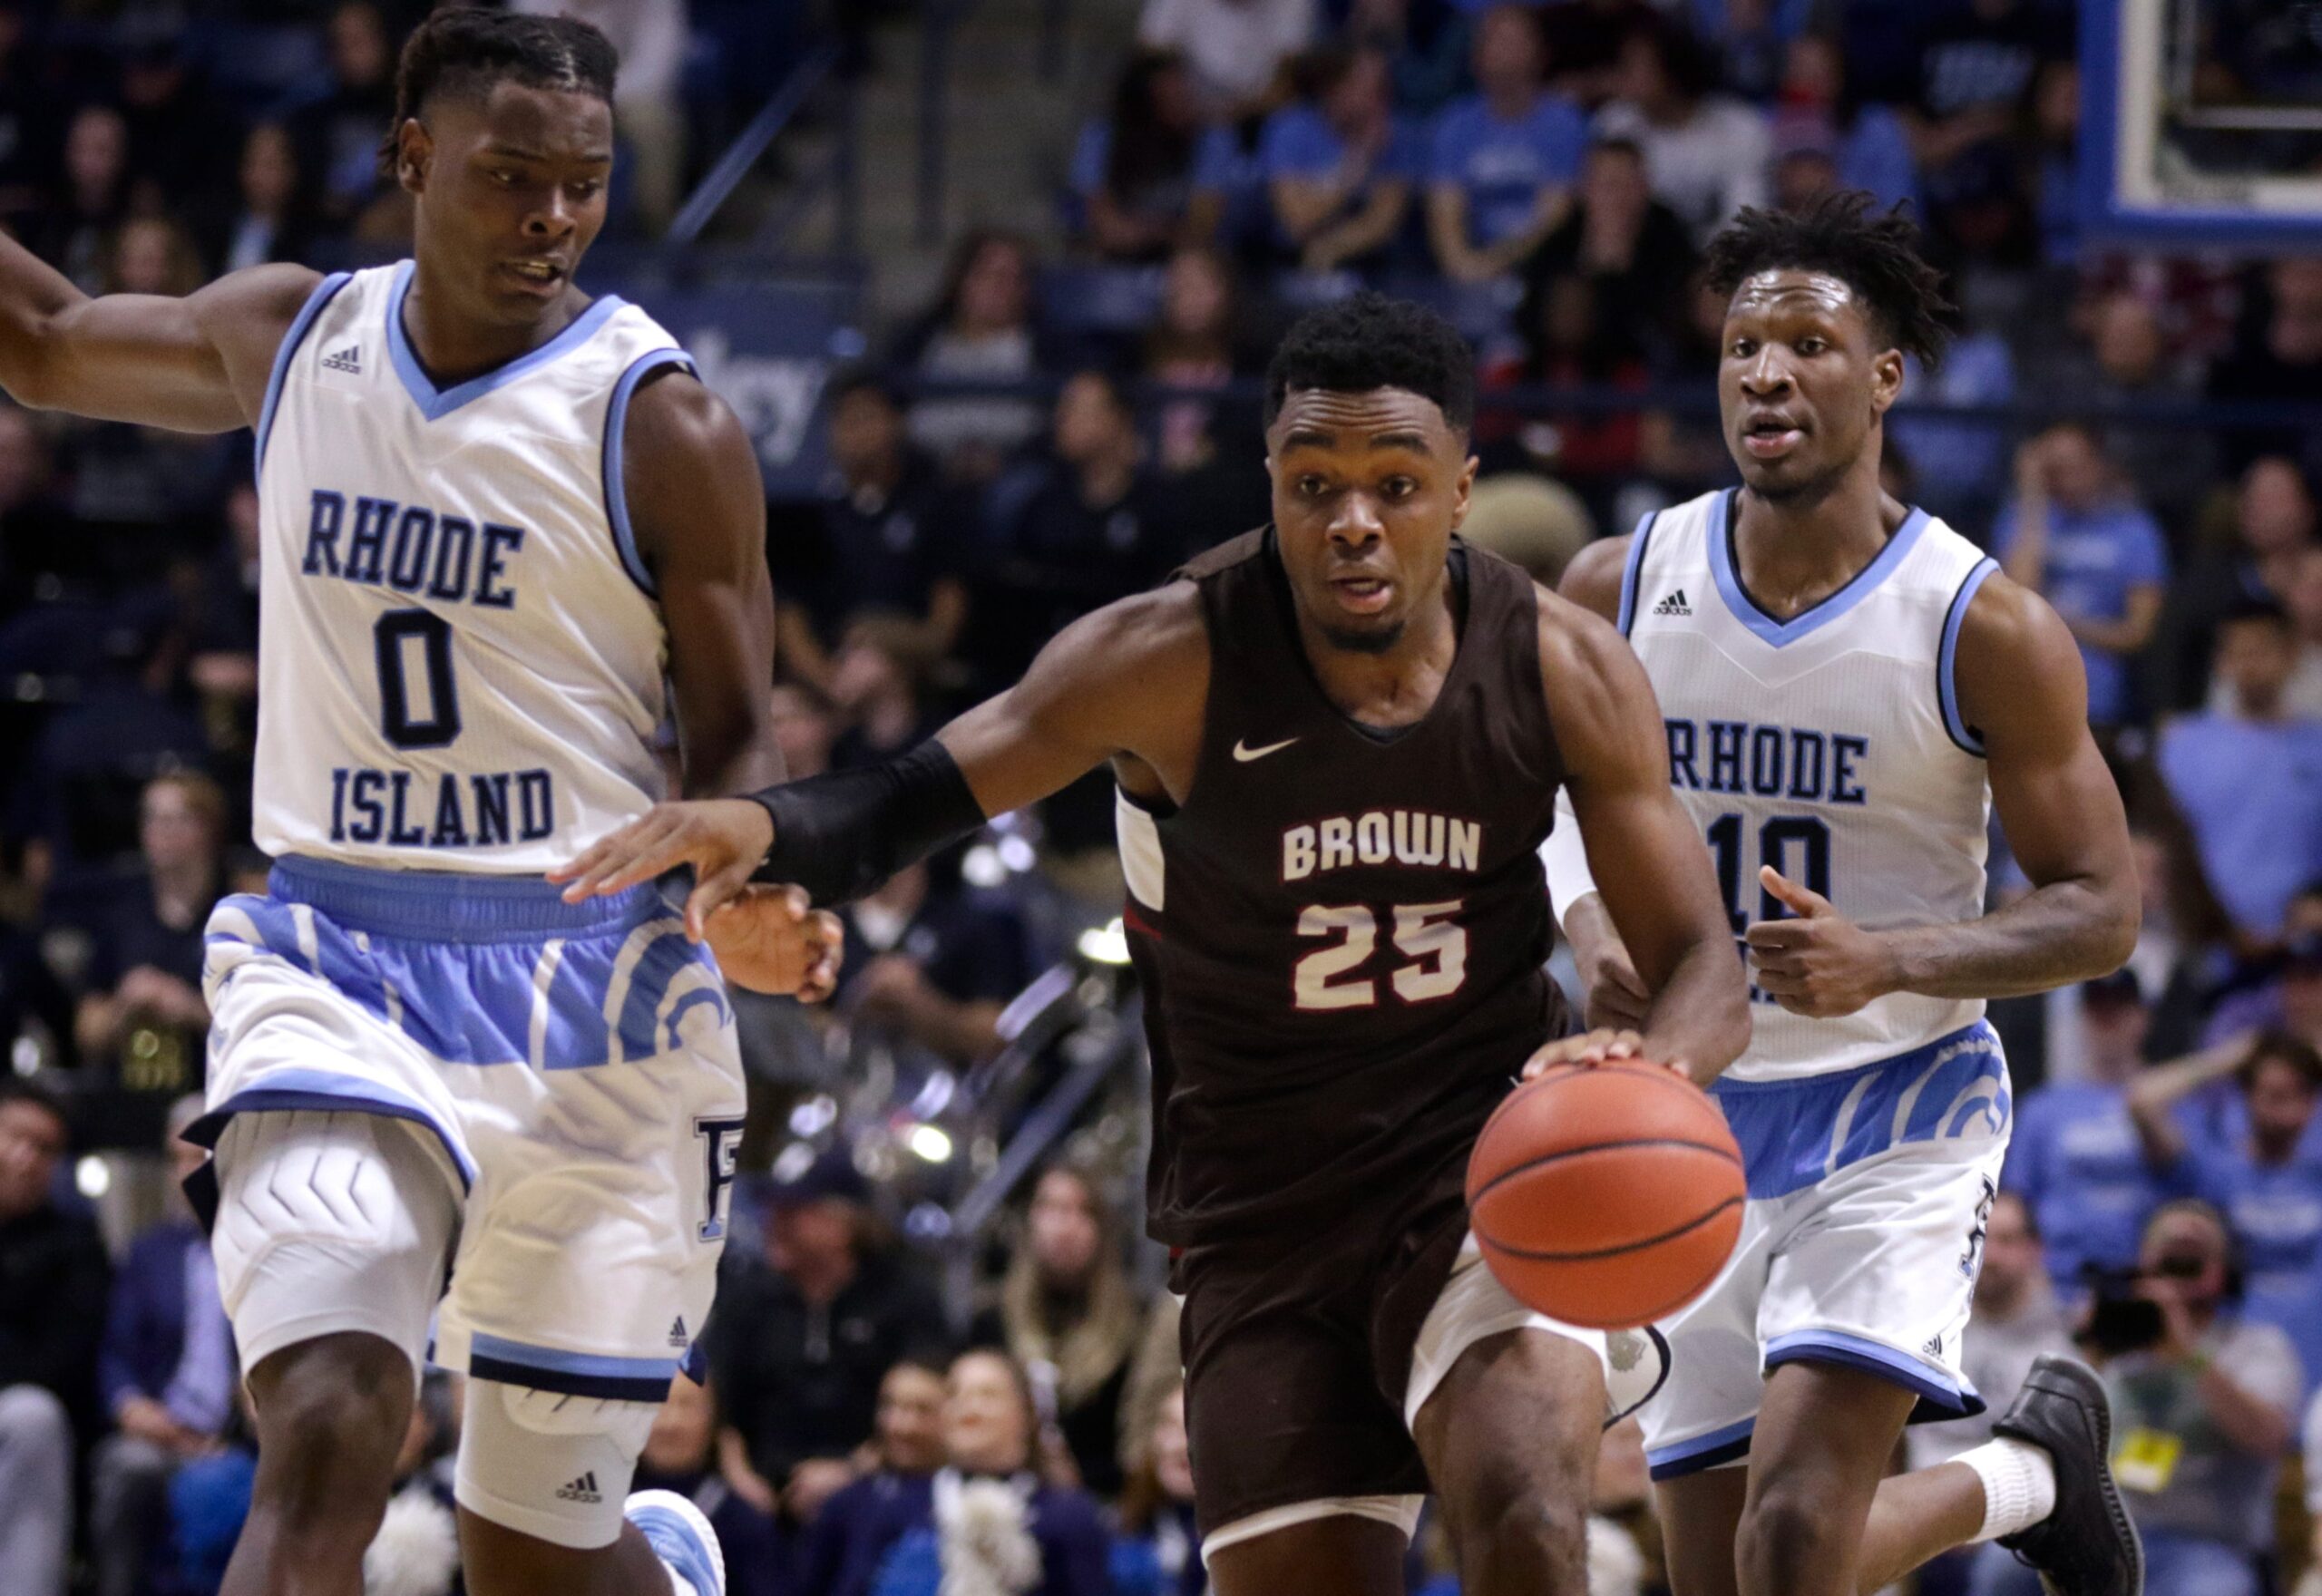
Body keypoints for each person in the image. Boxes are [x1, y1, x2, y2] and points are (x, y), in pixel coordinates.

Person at [554, 290, 1756, 1596]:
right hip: (1259, 1210)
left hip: (1476, 1178)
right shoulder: (1167, 656)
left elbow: (1704, 962)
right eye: (1316, 485)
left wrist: (1653, 1071)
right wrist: (759, 826)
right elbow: (915, 795)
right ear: (1272, 487)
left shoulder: (1561, 666)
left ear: (1460, 491)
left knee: (1526, 1511)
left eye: (1397, 484)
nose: (1355, 522)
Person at [0, 12, 846, 1596]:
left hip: (589, 986)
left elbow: (732, 751)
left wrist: (740, 893)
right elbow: (43, 343)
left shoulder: (665, 422)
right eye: (512, 175)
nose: (550, 218)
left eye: (582, 186)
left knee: (529, 1555)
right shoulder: (292, 337)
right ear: (411, 157)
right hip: (336, 959)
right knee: (325, 1425)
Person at [1546, 192, 2143, 1596]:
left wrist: (1896, 957)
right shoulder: (1614, 585)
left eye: (1809, 342)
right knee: (1724, 1580)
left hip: (1899, 1109)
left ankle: (2020, 1472)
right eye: (1745, 344)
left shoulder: (1980, 622)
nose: (1767, 373)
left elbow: (2103, 907)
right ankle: (2034, 1476)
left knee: (1798, 1543)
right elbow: (1542, 809)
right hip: (1682, 1114)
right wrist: (1586, 924)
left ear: (1883, 377)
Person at [709, 1145, 951, 1527]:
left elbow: (930, 1400)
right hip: (755, 1498)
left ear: (843, 1224)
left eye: (792, 1212)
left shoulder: (905, 1297)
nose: (773, 1221)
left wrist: (853, 1471)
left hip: (875, 1492)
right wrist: (740, 1478)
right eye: (771, 1208)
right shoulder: (749, 1296)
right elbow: (715, 1398)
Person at [2094, 1201, 2299, 1596]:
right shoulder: (2117, 1344)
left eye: (2193, 1258)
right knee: (2001, 1572)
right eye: (2169, 1256)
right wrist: (2092, 1346)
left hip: (2209, 1546)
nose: (2183, 1238)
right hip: (2107, 1538)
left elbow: (2267, 1437)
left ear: (2225, 1272)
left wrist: (2186, 1351)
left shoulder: (2259, 1348)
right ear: (2143, 1262)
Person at [794, 1348, 1111, 1596]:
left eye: (988, 1395)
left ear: (1026, 1415)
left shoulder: (1066, 1515)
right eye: (956, 1394)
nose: (969, 1407)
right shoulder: (898, 1507)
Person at [92, 1094, 240, 1596]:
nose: (187, 1172)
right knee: (127, 1468)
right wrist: (131, 1406)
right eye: (177, 1159)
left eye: (199, 1157)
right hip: (159, 1432)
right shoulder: (148, 1252)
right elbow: (116, 1352)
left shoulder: (263, 1252)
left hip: (241, 1440)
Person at [2127, 1031, 2322, 1387]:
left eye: (2301, 1094)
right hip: (2237, 1362)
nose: (2289, 1110)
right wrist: (2238, 1055)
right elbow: (2142, 1100)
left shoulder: (2316, 1176)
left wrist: (2309, 1051)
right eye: (2275, 1095)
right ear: (2247, 1096)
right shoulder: (2215, 1172)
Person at [1906, 1192, 2075, 1596]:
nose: (1992, 1256)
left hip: (2011, 1523)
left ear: (2035, 1250)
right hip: (1917, 1512)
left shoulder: (2067, 1340)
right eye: (1980, 1239)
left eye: (2007, 1241)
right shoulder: (1925, 1327)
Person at [0, 1075, 111, 1596]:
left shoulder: (75, 1246)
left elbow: (59, 1365)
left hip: (18, 1421)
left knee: (33, 1415)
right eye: (16, 1138)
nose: (28, 1157)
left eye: (44, 1149)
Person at [2157, 600, 2322, 947]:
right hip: (2205, 941)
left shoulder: (2316, 746)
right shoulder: (2183, 747)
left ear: (2292, 654)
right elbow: (2166, 845)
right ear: (2221, 662)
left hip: (2304, 949)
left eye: (2261, 651)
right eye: (2237, 653)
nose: (2250, 665)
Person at [979, 1163, 1150, 1495]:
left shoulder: (1137, 1324)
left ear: (1102, 1229)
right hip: (1002, 1499)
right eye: (1051, 1209)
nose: (1064, 1227)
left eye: (1082, 1212)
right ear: (1029, 1221)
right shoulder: (992, 1319)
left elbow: (1140, 1444)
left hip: (1107, 1503)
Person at [1992, 423, 2170, 734]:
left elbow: (2139, 631)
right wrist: (2033, 497)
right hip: (2025, 682)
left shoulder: (2134, 529)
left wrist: (2064, 623)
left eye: (2076, 466)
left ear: (2099, 464)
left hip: (2097, 695)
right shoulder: (2021, 519)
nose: (2066, 478)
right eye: (2055, 469)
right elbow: (2017, 601)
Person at [2004, 970, 2172, 1297]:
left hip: (2147, 1284)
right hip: (2058, 1283)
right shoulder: (2042, 1109)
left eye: (2119, 1009)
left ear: (2143, 1016)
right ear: (2082, 1018)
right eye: (2098, 1010)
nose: (2108, 1022)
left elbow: (2190, 1186)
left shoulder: (2172, 1104)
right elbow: (2015, 1204)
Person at [72, 771, 226, 1085]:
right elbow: (86, 1035)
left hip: (213, 1089)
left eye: (178, 819)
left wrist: (189, 1007)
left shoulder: (235, 915)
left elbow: (265, 1028)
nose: (162, 832)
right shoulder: (122, 916)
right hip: (130, 1087)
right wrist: (125, 1006)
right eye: (152, 818)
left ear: (209, 829)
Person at [1424, 5, 1588, 284]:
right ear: (1476, 56)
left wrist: (1497, 264)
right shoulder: (1455, 124)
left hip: (1542, 269)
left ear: (1540, 53)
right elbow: (1444, 215)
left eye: (1513, 41)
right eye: (1494, 40)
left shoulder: (1564, 123)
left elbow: (1554, 220)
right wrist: (1463, 266)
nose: (1503, 51)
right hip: (1469, 269)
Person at [1257, 46, 1419, 274]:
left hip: (1367, 262)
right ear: (1333, 89)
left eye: (1383, 89)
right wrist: (1357, 160)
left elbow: (1383, 219)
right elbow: (1299, 221)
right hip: (1288, 260)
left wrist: (1330, 247)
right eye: (1369, 90)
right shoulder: (1290, 130)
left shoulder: (1395, 134)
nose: (1380, 101)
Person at [797, 1359, 950, 1596]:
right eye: (890, 1407)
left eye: (922, 1410)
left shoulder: (968, 1500)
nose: (902, 1426)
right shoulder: (846, 1505)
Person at [633, 1378, 787, 1596]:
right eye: (659, 1404)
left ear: (714, 1418)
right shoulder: (602, 1514)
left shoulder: (743, 1523)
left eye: (687, 1405)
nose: (671, 1422)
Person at [1112, 1381, 1202, 1596]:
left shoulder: (1234, 1541)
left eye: (1194, 1427)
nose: (1181, 1445)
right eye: (1171, 1427)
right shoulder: (1122, 1529)